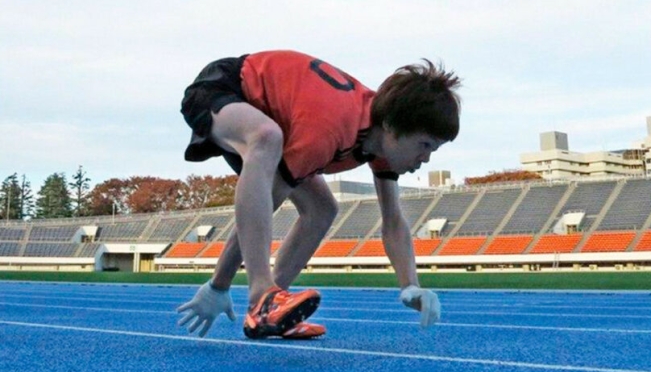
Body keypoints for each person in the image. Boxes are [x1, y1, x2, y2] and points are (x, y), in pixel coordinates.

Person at [175, 50, 461, 339]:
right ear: (392, 127)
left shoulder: (380, 136)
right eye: (424, 145)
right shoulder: (329, 128)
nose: (426, 158)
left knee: (322, 208)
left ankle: (268, 313)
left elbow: (393, 220)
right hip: (222, 88)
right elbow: (267, 202)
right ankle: (262, 294)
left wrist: (410, 286)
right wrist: (218, 286)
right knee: (266, 137)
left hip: (278, 117)